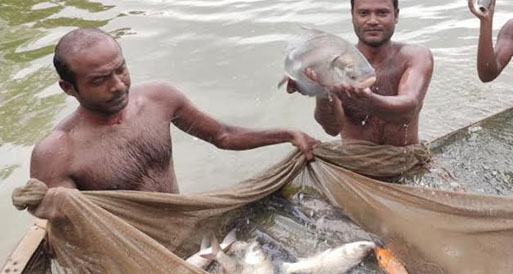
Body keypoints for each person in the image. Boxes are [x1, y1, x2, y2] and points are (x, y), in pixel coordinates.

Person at [30, 28, 319, 192]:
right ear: (68, 88)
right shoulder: (56, 153)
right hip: (126, 248)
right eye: (99, 81)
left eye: (121, 70)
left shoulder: (159, 99)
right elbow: (72, 226)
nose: (118, 85)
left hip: (178, 222)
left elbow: (223, 136)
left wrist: (286, 134)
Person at [287, 0, 434, 146]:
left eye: (382, 13)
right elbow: (332, 128)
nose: (372, 21)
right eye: (363, 13)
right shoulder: (335, 62)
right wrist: (322, 91)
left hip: (407, 157)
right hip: (354, 160)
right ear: (352, 16)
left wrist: (367, 101)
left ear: (396, 15)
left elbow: (408, 109)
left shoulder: (415, 56)